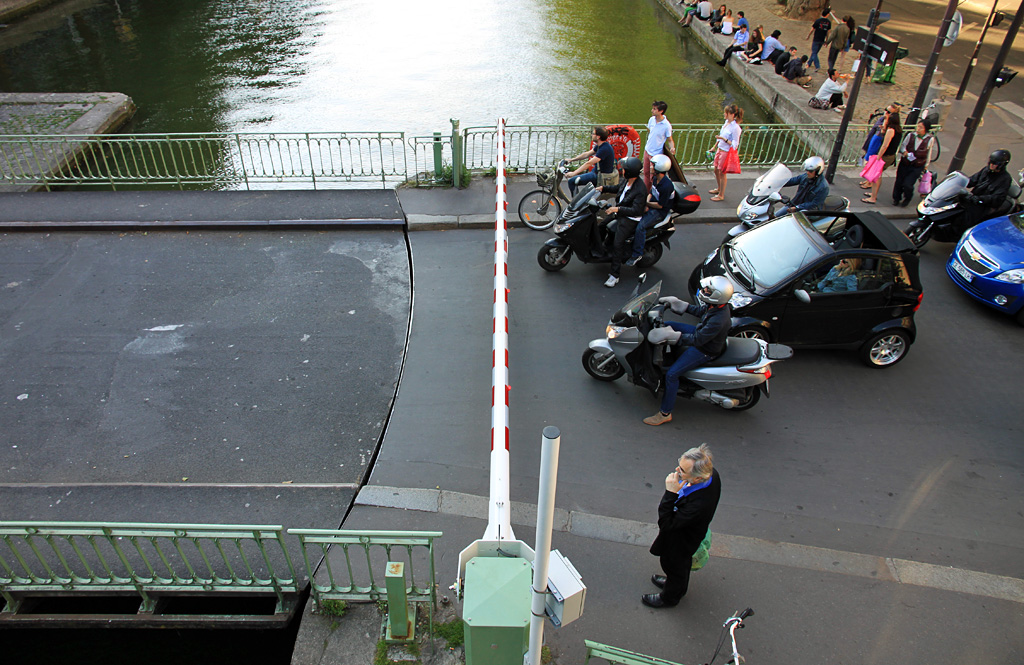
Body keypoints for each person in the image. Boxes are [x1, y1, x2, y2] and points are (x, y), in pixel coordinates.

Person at [641, 276, 733, 426]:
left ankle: (665, 413)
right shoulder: (716, 307)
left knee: (671, 375)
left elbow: (697, 340)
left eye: (708, 291)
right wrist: (679, 304)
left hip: (705, 349)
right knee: (668, 324)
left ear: (718, 296)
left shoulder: (718, 319)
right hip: (702, 336)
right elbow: (700, 311)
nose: (704, 291)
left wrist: (673, 336)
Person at [643, 443, 722, 608]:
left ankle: (670, 597)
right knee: (680, 568)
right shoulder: (711, 475)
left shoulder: (698, 506)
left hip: (681, 541)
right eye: (680, 465)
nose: (677, 471)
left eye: (682, 471)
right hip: (690, 533)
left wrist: (670, 493)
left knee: (674, 565)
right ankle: (676, 585)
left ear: (698, 478)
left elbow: (667, 523)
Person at [928, 150, 1013, 231]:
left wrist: (980, 199)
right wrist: (957, 184)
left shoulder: (1005, 179)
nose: (991, 165)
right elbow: (972, 180)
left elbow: (997, 198)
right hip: (972, 198)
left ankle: (959, 235)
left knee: (966, 218)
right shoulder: (986, 170)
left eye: (995, 164)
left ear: (1002, 165)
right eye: (991, 162)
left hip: (983, 205)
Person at [596, 156, 647, 288]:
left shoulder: (640, 189)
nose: (622, 170)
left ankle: (614, 275)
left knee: (618, 243)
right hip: (620, 212)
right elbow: (618, 188)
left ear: (629, 172)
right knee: (601, 225)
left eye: (624, 169)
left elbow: (636, 210)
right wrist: (603, 188)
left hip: (630, 218)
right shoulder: (627, 181)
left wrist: (616, 209)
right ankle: (600, 249)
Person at [626, 155, 676, 267]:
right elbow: (650, 194)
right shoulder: (655, 179)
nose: (651, 167)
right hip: (652, 206)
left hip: (659, 212)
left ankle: (637, 254)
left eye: (653, 165)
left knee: (641, 227)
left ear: (659, 168)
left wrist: (646, 204)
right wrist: (645, 203)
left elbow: (661, 206)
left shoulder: (666, 186)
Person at [861, 105, 902, 204]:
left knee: (876, 177)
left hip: (884, 156)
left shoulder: (891, 130)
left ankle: (873, 197)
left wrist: (878, 157)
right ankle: (873, 194)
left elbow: (885, 145)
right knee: (877, 176)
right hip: (890, 156)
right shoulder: (898, 129)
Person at [565, 126, 619, 196]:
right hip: (596, 172)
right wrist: (571, 160)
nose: (591, 135)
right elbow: (587, 154)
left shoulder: (605, 149)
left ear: (598, 137)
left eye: (593, 134)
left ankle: (576, 204)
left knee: (572, 181)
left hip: (599, 176)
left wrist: (574, 173)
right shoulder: (601, 145)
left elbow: (589, 163)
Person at [892, 118, 934, 208]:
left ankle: (907, 197)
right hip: (905, 162)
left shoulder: (929, 139)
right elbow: (903, 146)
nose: (918, 129)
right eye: (918, 126)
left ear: (925, 129)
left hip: (917, 165)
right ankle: (896, 198)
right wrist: (904, 152)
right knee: (899, 181)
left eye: (921, 127)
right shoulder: (911, 135)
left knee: (908, 184)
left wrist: (926, 165)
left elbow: (929, 153)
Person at [710, 104, 742, 202]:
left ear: (732, 114)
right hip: (720, 149)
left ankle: (721, 195)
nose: (724, 114)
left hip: (726, 152)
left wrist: (724, 139)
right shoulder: (726, 123)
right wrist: (715, 146)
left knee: (722, 172)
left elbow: (735, 144)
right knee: (716, 170)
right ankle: (719, 189)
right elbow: (721, 136)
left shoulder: (736, 128)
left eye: (726, 113)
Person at [643, 101, 675, 191]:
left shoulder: (666, 125)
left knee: (653, 176)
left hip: (656, 154)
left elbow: (670, 139)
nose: (652, 110)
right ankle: (646, 192)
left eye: (654, 109)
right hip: (647, 150)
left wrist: (672, 148)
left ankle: (653, 194)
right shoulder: (651, 119)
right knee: (646, 173)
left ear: (661, 111)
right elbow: (649, 130)